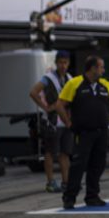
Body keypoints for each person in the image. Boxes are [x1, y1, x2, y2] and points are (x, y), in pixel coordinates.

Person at [56, 56, 109, 210]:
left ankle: (92, 196)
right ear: (92, 68)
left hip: (102, 132)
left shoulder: (104, 84)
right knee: (78, 165)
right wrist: (68, 123)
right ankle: (69, 198)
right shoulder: (74, 83)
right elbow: (60, 105)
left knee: (98, 165)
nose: (103, 70)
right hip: (83, 132)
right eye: (101, 67)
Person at [29, 50, 73, 193]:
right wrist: (45, 107)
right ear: (56, 63)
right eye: (60, 62)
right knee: (50, 152)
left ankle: (66, 182)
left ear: (69, 63)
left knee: (65, 153)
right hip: (52, 121)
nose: (63, 65)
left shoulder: (69, 78)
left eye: (65, 62)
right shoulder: (48, 78)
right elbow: (33, 92)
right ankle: (51, 182)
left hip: (66, 121)